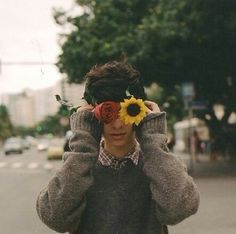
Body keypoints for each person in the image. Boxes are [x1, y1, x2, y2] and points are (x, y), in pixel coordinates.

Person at [36, 61, 200, 234]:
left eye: (126, 111)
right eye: (108, 113)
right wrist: (83, 146)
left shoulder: (157, 165)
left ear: (141, 111)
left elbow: (179, 209)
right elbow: (55, 218)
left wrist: (154, 139)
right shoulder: (80, 168)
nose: (117, 124)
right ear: (93, 114)